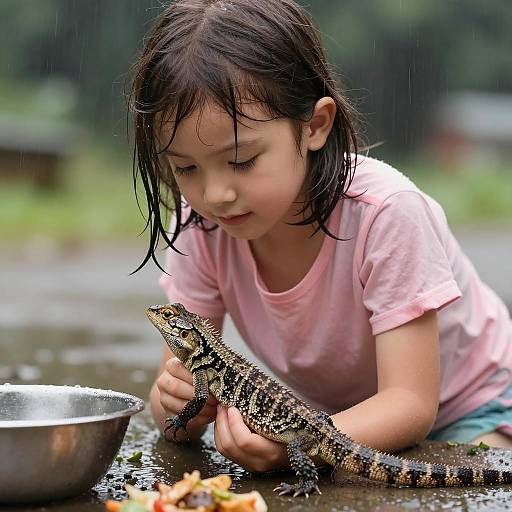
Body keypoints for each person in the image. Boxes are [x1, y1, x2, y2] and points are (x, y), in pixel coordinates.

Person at [130, 0, 512, 473]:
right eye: (185, 168)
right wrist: (176, 406)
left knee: (484, 475)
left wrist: (300, 445)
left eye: (242, 160)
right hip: (337, 420)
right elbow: (175, 406)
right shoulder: (199, 226)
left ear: (314, 126)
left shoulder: (387, 215)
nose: (216, 194)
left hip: (471, 404)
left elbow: (411, 404)